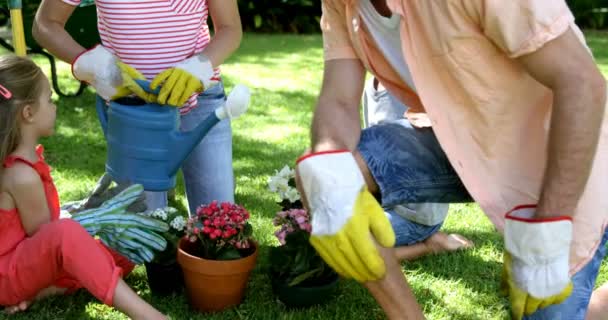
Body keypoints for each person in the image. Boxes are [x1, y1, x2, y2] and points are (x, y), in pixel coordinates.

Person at [296, 1, 608, 319]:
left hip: (562, 154)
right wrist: (329, 175)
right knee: (325, 175)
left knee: (547, 307)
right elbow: (337, 100)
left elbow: (583, 84)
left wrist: (548, 230)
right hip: (459, 142)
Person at [33, 0, 243, 214]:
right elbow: (45, 23)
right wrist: (94, 64)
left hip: (200, 98)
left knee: (218, 220)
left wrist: (199, 66)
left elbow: (230, 28)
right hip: (133, 109)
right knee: (143, 225)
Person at [0, 55, 166, 319]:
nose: (54, 107)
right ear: (28, 113)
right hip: (7, 275)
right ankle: (150, 316)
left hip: (25, 262)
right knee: (70, 238)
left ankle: (44, 291)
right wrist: (87, 224)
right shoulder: (21, 176)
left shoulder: (27, 164)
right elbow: (49, 238)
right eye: (49, 99)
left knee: (120, 254)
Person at [362, 76, 473, 261]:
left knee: (351, 243)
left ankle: (429, 245)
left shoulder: (415, 83)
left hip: (415, 216)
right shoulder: (370, 86)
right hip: (382, 202)